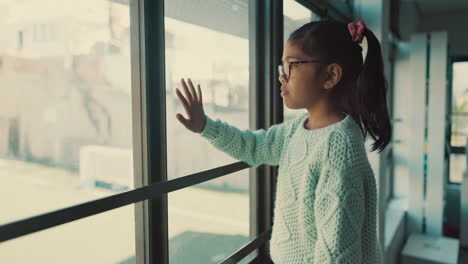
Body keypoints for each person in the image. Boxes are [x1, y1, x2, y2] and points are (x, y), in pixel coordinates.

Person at [174, 20, 390, 264]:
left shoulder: (338, 149)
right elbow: (253, 147)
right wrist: (206, 126)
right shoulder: (297, 129)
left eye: (291, 65)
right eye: (282, 66)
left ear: (330, 75)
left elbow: (337, 257)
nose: (281, 77)